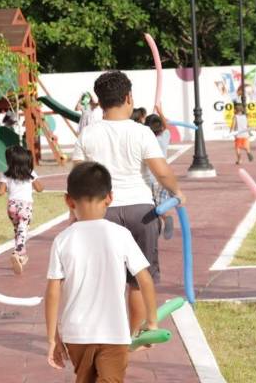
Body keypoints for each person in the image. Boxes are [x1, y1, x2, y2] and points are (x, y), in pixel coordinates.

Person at [72, 70, 185, 334]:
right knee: (138, 278)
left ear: (99, 102)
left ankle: (104, 333)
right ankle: (133, 335)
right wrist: (178, 192)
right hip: (141, 212)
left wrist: (76, 213)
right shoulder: (142, 133)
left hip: (102, 212)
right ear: (128, 98)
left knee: (104, 279)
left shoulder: (88, 134)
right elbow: (161, 171)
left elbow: (78, 177)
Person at [45, 162, 158, 382]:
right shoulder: (121, 234)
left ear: (68, 200)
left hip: (76, 334)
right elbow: (145, 280)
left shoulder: (62, 240)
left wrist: (52, 339)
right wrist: (151, 322)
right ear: (110, 197)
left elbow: (52, 293)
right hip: (113, 333)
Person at [0, 145, 45, 274]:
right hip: (25, 206)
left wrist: (8, 186)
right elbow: (40, 188)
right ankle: (17, 253)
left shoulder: (6, 174)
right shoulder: (30, 173)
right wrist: (34, 180)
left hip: (11, 206)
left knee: (18, 231)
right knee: (23, 231)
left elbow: (0, 192)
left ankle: (22, 256)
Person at [144, 113, 174, 239]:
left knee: (151, 208)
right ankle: (166, 217)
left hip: (150, 179)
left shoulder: (146, 140)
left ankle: (163, 221)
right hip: (163, 178)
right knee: (160, 204)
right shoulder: (165, 137)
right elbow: (167, 127)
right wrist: (160, 111)